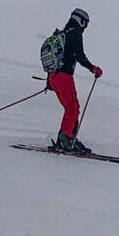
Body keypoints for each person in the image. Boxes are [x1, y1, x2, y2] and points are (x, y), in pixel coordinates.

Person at [47, 8, 101, 154]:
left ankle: (69, 138)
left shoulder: (63, 33)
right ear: (81, 21)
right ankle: (66, 140)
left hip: (53, 77)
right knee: (73, 108)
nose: (86, 26)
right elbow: (79, 55)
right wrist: (93, 68)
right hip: (64, 76)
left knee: (71, 108)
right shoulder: (75, 34)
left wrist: (50, 82)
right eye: (86, 23)